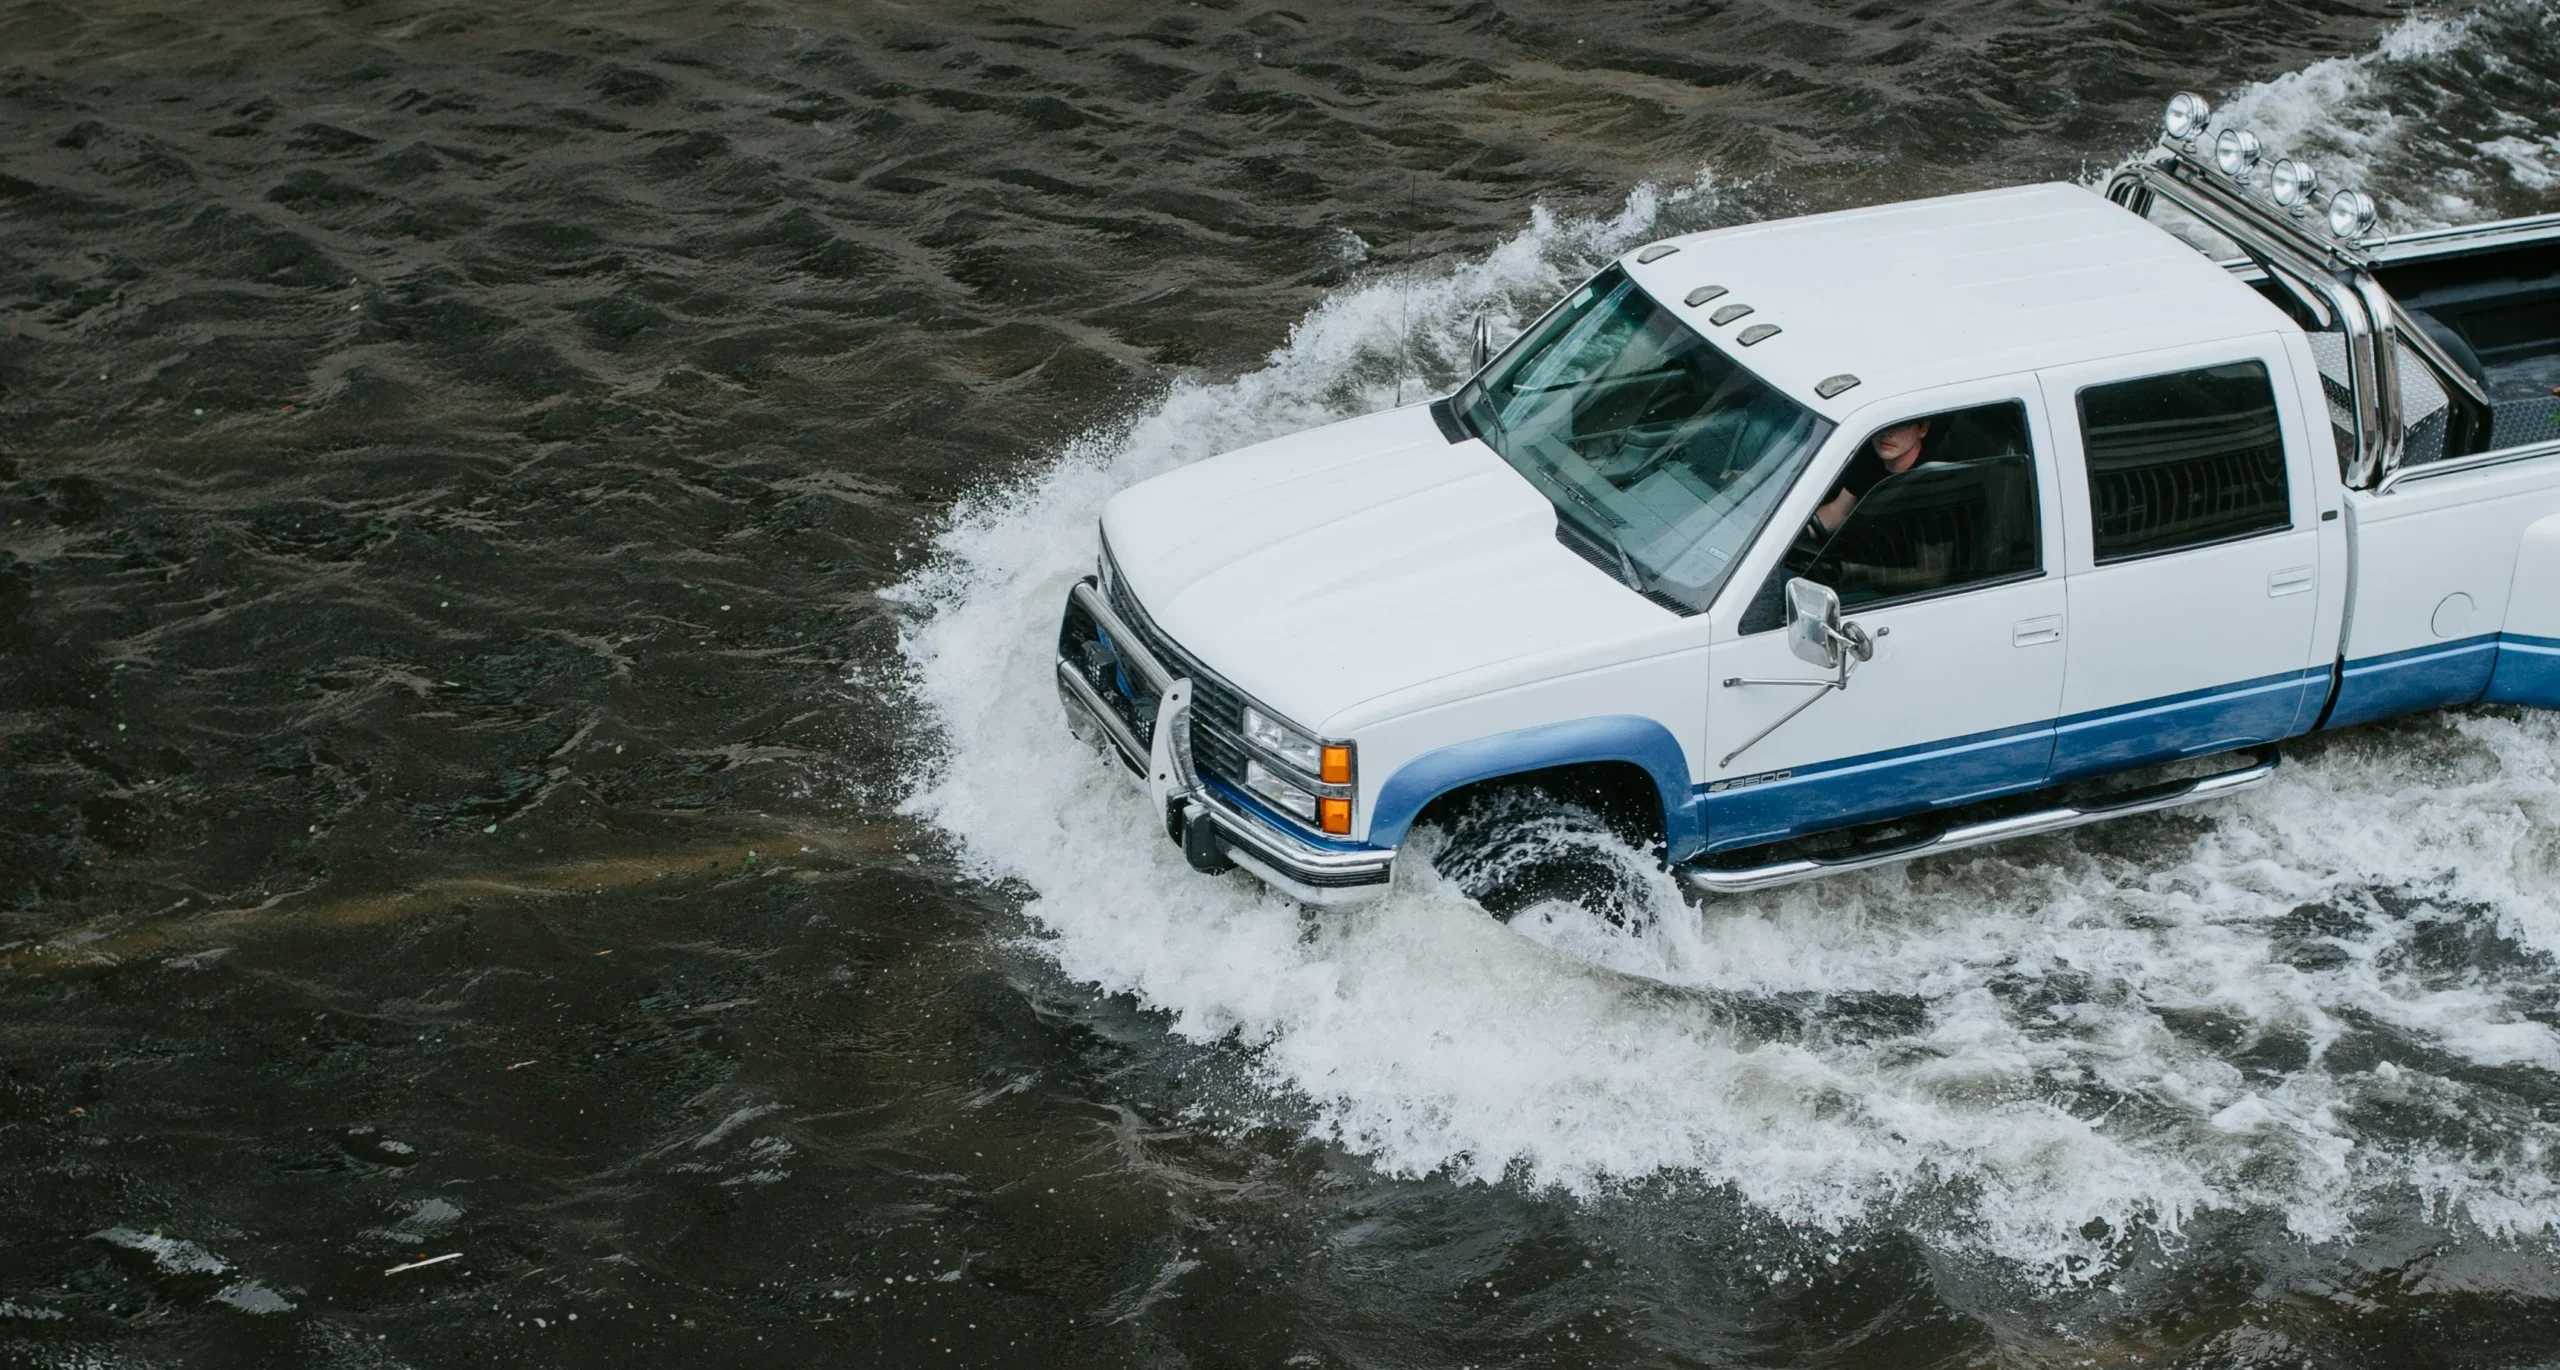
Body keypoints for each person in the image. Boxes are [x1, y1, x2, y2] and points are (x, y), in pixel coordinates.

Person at [1809, 415, 1938, 536]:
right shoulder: (1869, 457)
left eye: (1901, 424)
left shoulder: (1932, 478)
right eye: (1882, 422)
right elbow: (1838, 512)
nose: (1887, 432)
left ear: (1923, 429)